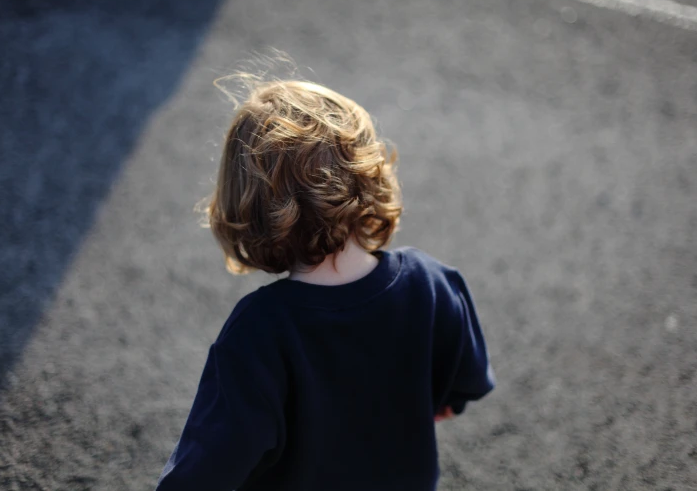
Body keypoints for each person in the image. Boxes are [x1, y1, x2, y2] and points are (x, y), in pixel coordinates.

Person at [157, 79, 495, 491]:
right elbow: (467, 383)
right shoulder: (431, 284)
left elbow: (203, 471)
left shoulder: (259, 332)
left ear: (249, 206)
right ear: (369, 175)